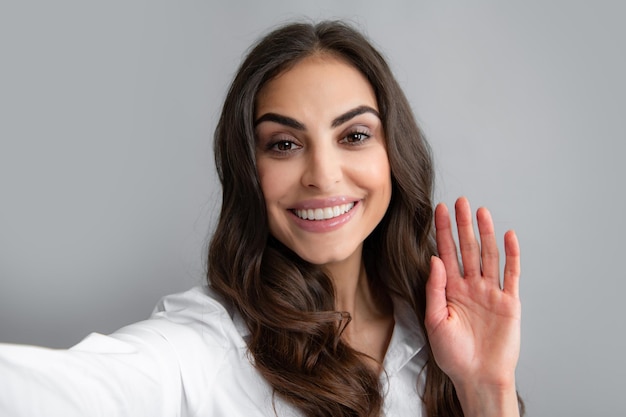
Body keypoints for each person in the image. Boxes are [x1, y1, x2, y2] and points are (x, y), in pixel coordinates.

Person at [0, 20, 524, 417]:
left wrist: (487, 388)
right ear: (248, 170)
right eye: (285, 144)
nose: (322, 175)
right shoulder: (204, 349)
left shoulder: (438, 334)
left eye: (354, 136)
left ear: (394, 154)